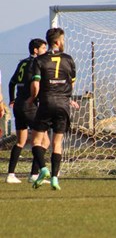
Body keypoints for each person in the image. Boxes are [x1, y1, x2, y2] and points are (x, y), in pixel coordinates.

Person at [29, 27, 79, 190]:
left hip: (46, 103)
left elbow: (35, 85)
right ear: (57, 41)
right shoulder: (69, 59)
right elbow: (71, 83)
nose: (63, 43)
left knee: (36, 140)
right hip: (63, 105)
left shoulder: (40, 60)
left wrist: (32, 99)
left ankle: (43, 169)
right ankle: (55, 179)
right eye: (63, 40)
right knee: (57, 143)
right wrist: (66, 97)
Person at [6, 39, 51, 184]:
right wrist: (36, 99)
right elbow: (35, 85)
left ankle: (11, 174)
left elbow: (12, 82)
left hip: (19, 105)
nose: (46, 50)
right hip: (29, 106)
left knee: (21, 141)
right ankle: (34, 174)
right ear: (36, 50)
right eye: (44, 48)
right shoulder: (35, 64)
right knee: (44, 140)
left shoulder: (22, 63)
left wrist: (12, 99)